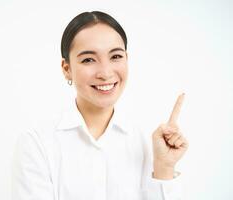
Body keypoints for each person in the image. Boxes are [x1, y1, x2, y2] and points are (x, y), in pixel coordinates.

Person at [12, 11, 189, 200]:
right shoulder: (37, 143)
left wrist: (164, 168)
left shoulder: (148, 141)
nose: (105, 73)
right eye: (88, 59)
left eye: (115, 57)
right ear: (67, 69)